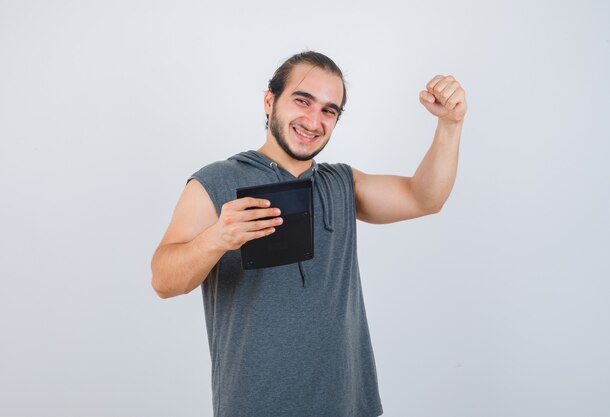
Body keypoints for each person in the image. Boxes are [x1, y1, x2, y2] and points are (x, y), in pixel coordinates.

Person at [151, 51, 467, 417]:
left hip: (348, 405)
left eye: (328, 110)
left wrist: (451, 124)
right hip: (256, 406)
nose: (313, 120)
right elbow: (163, 280)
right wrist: (217, 237)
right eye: (303, 101)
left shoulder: (342, 183)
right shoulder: (217, 180)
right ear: (270, 100)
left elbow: (425, 198)